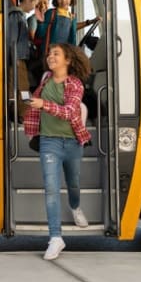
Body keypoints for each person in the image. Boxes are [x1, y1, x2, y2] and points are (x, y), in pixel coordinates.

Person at [23, 43, 92, 261]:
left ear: (68, 61)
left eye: (56, 54)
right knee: (51, 189)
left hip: (72, 142)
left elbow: (71, 112)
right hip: (49, 142)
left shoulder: (75, 84)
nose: (50, 56)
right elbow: (37, 107)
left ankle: (75, 206)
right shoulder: (44, 79)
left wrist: (43, 104)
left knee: (73, 183)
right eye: (49, 53)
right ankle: (55, 238)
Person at [8, 0, 39, 121]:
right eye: (34, 4)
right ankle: (23, 114)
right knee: (23, 86)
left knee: (14, 86)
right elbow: (12, 39)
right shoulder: (16, 15)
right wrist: (14, 57)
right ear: (27, 0)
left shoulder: (18, 15)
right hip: (17, 57)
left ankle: (14, 112)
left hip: (18, 56)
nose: (34, 8)